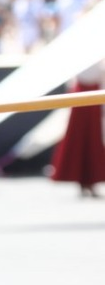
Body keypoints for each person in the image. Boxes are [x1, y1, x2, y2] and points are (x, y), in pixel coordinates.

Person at [49, 62, 105, 197]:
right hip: (83, 96)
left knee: (93, 138)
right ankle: (83, 181)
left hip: (95, 95)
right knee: (79, 137)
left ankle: (92, 181)